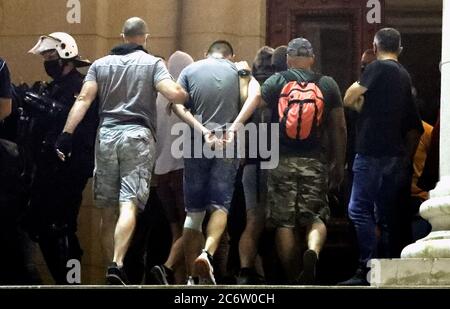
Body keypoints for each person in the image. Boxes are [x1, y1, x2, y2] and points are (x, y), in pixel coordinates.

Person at [56, 17, 187, 285]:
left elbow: (83, 99)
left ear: (122, 35)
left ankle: (112, 269)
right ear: (145, 37)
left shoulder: (100, 65)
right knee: (128, 203)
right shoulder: (152, 64)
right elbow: (173, 94)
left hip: (106, 136)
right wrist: (185, 92)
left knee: (106, 209)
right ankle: (117, 262)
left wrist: (66, 134)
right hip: (137, 137)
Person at [171, 40, 261, 285]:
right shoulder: (239, 71)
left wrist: (201, 130)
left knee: (194, 214)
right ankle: (207, 253)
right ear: (231, 55)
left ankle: (192, 278)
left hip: (194, 142)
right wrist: (233, 128)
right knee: (220, 206)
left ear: (205, 53)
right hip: (227, 142)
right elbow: (255, 97)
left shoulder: (190, 70)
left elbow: (177, 104)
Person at [340, 28, 423, 285]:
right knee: (385, 214)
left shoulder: (379, 68)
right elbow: (414, 126)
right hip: (395, 156)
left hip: (371, 152)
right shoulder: (404, 76)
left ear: (375, 47)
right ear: (400, 48)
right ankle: (386, 269)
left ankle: (366, 267)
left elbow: (348, 97)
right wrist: (406, 159)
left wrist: (360, 105)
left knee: (358, 210)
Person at [260, 38, 347, 284]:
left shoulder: (276, 82)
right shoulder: (327, 84)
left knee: (284, 222)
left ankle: (294, 278)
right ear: (312, 59)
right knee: (316, 216)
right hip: (314, 161)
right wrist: (338, 164)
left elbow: (257, 110)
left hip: (281, 161)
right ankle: (313, 251)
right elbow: (339, 127)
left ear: (287, 58)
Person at [22, 32, 98, 284]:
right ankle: (66, 282)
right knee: (42, 227)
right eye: (44, 56)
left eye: (50, 55)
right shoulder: (54, 87)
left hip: (69, 166)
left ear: (66, 55)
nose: (47, 60)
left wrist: (34, 101)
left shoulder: (81, 85)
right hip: (49, 166)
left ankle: (70, 283)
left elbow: (64, 114)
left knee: (61, 226)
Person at [149, 51, 194, 285]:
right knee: (192, 229)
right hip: (183, 171)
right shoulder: (188, 97)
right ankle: (170, 270)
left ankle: (176, 284)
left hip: (162, 175)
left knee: (176, 232)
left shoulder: (158, 98)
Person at [237, 46, 274, 284]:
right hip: (274, 160)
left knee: (252, 219)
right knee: (278, 223)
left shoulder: (246, 87)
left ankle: (246, 270)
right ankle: (269, 272)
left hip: (249, 162)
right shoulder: (279, 86)